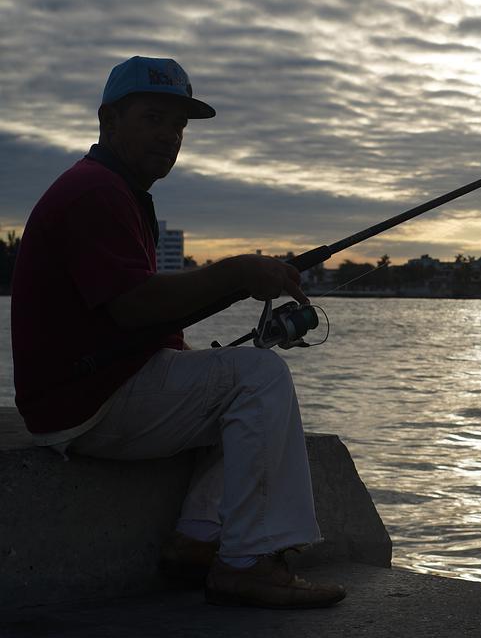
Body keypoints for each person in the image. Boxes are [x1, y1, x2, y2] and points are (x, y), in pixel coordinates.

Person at [10, 56, 346, 609]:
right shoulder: (94, 192)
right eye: (153, 118)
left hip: (85, 396)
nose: (169, 135)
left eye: (178, 125)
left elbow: (131, 313)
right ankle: (249, 562)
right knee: (259, 377)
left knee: (240, 390)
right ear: (109, 120)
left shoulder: (115, 189)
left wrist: (205, 325)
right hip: (83, 403)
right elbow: (133, 306)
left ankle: (197, 542)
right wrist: (237, 272)